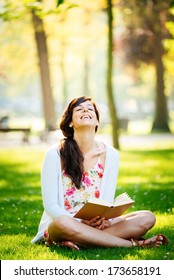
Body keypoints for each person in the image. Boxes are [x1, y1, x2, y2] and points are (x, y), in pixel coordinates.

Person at [31, 96, 168, 250]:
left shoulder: (111, 155)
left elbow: (106, 201)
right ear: (70, 122)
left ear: (96, 122)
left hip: (96, 224)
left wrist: (104, 220)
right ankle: (131, 244)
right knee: (62, 223)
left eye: (90, 109)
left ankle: (81, 241)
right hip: (65, 223)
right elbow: (51, 206)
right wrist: (80, 222)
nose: (85, 110)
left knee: (146, 217)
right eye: (79, 109)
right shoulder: (55, 154)